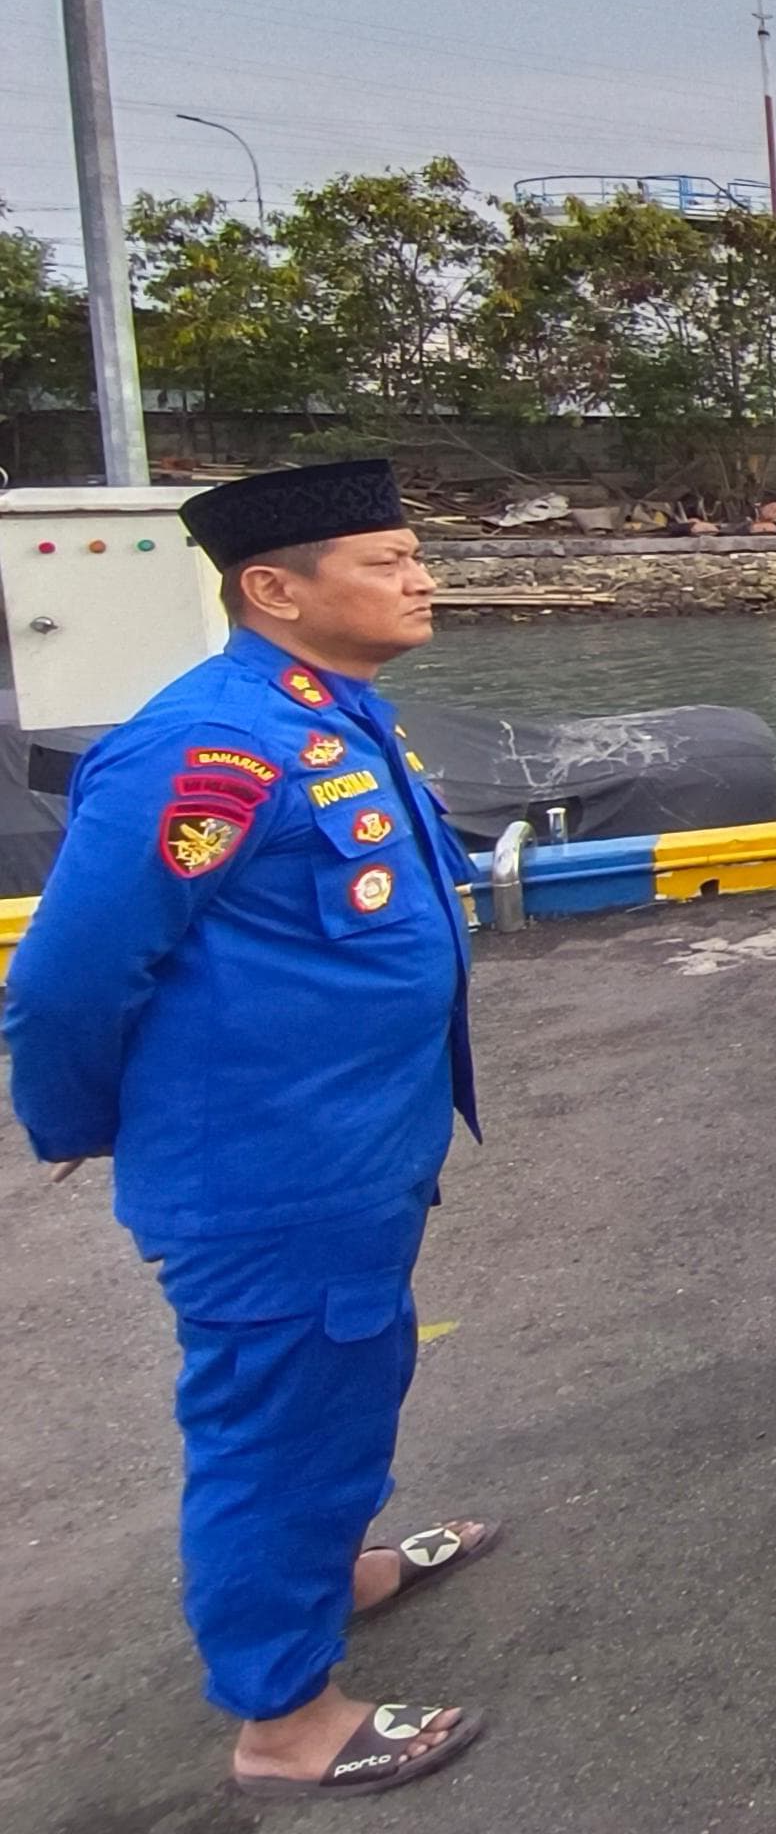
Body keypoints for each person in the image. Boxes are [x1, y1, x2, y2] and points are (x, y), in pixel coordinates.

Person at [4, 460, 495, 1800]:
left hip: (352, 1151)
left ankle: (335, 1571)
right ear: (274, 589)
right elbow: (64, 979)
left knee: (343, 1387)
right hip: (270, 1171)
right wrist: (74, 1117)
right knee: (274, 1432)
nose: (422, 580)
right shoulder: (208, 747)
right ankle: (285, 1722)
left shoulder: (328, 713)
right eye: (388, 563)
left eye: (414, 555)